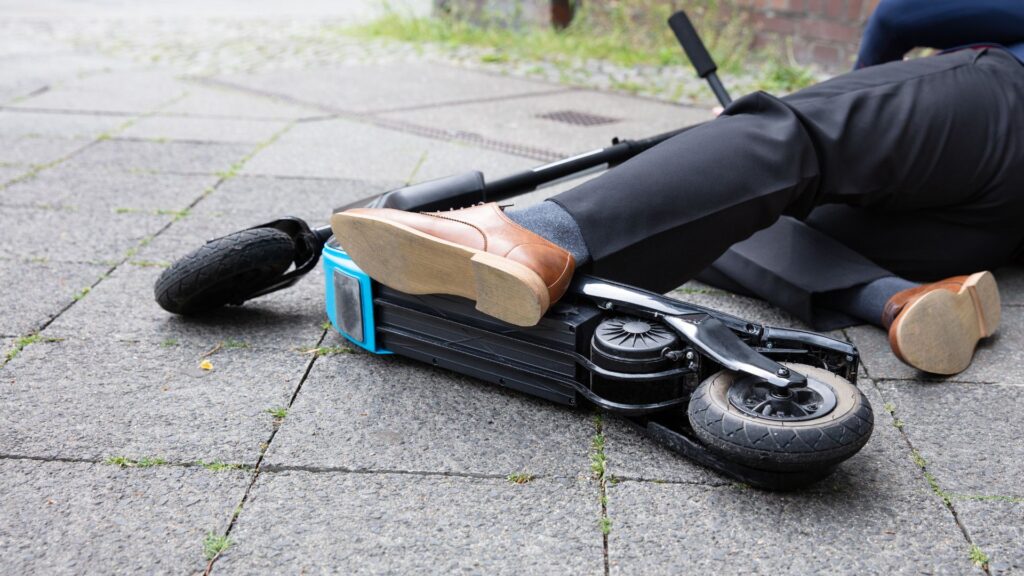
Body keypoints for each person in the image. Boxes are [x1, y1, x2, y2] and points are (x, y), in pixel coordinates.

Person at [332, 1, 1024, 375]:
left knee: (788, 142)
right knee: (738, 209)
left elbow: (900, 17)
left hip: (1004, 105)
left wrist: (833, 103)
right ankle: (905, 300)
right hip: (996, 224)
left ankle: (535, 239)